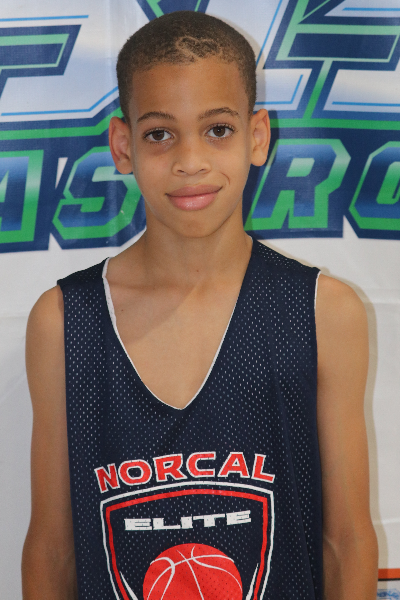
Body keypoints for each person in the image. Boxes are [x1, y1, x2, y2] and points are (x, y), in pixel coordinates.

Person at [22, 10, 378, 600]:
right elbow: (52, 550)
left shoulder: (321, 311)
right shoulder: (63, 321)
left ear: (257, 136)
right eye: (160, 134)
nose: (191, 161)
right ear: (122, 145)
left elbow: (347, 542)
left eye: (217, 129)